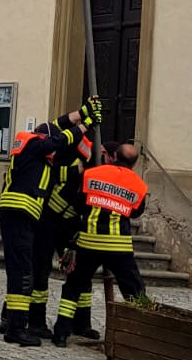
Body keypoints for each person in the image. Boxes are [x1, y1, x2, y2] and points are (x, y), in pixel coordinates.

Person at [0, 99, 101, 348]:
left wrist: (81, 113)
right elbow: (57, 139)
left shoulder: (41, 161)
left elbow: (61, 170)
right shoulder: (33, 144)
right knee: (23, 273)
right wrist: (86, 124)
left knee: (26, 271)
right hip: (20, 215)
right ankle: (14, 327)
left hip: (25, 218)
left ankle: (16, 323)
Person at [52, 141, 148, 346]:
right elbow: (135, 212)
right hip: (118, 246)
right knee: (134, 289)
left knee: (73, 286)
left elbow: (79, 203)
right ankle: (139, 335)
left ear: (114, 156)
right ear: (134, 163)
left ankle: (61, 333)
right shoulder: (138, 184)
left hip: (89, 242)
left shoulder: (93, 173)